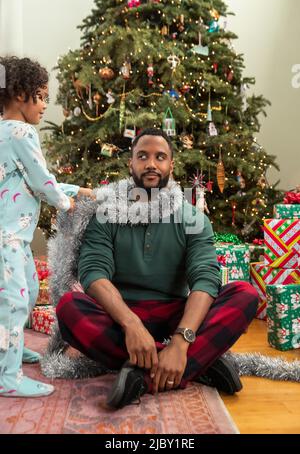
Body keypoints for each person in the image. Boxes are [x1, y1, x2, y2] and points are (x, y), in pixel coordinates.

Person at [56, 128, 259, 409]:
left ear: (171, 165)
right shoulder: (106, 213)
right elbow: (93, 273)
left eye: (160, 157)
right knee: (69, 307)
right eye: (143, 156)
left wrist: (181, 341)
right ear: (131, 163)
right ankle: (200, 364)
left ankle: (145, 376)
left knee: (245, 294)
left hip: (175, 314)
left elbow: (205, 277)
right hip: (121, 317)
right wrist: (131, 324)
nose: (151, 163)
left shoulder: (192, 218)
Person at [0, 56, 94, 397]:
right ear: (20, 94)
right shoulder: (21, 132)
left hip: (17, 241)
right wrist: (69, 204)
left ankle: (9, 352)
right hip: (6, 239)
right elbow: (42, 182)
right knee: (12, 304)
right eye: (40, 96)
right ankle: (6, 378)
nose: (44, 105)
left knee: (24, 292)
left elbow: (33, 180)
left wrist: (78, 191)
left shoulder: (5, 132)